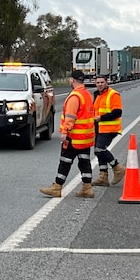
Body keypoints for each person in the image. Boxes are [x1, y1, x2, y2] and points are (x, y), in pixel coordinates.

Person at [40, 70, 96, 198]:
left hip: (74, 136)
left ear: (72, 80)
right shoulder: (87, 94)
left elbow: (70, 117)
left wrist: (65, 132)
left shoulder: (75, 96)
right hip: (85, 137)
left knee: (65, 161)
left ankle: (57, 187)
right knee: (84, 161)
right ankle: (87, 187)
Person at [90, 75, 126, 187]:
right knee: (98, 151)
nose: (99, 84)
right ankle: (103, 177)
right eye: (97, 82)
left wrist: (101, 118)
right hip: (99, 128)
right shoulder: (97, 95)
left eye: (102, 82)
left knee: (100, 148)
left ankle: (117, 167)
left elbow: (117, 113)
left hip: (110, 128)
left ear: (107, 82)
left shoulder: (113, 94)